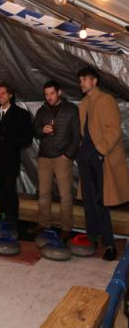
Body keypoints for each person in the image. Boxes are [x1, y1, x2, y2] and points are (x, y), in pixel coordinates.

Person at [76, 67, 129, 261]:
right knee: (88, 201)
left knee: (101, 202)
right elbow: (81, 131)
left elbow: (114, 130)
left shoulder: (106, 100)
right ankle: (92, 238)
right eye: (80, 80)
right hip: (85, 156)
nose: (80, 83)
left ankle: (109, 245)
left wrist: (99, 151)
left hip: (100, 157)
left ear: (94, 81)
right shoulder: (82, 104)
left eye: (83, 80)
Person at [33, 80, 80, 240]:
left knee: (65, 195)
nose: (49, 97)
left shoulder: (71, 109)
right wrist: (41, 130)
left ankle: (66, 227)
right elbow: (35, 130)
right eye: (46, 94)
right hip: (44, 156)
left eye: (52, 93)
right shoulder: (42, 110)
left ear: (59, 92)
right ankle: (43, 223)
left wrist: (68, 154)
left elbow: (76, 135)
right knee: (44, 193)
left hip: (62, 157)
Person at [0, 82, 33, 222]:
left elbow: (27, 137)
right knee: (0, 188)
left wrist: (11, 144)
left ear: (10, 95)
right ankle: (3, 215)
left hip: (10, 158)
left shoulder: (21, 114)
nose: (0, 96)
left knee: (9, 187)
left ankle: (13, 218)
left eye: (3, 93)